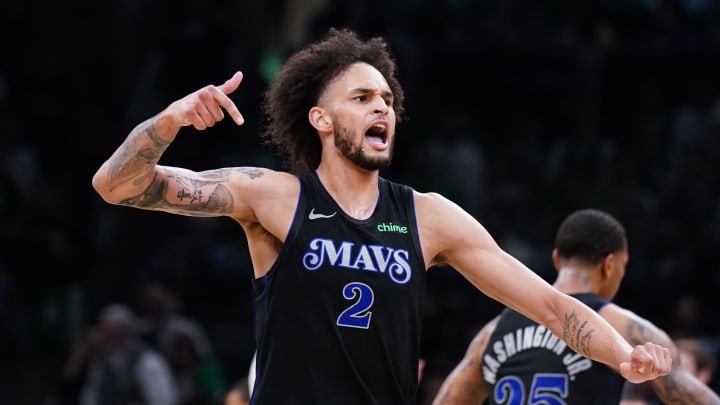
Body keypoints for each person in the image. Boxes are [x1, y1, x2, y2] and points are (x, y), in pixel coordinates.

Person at [92, 27, 671, 404]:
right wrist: (169, 121)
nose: (382, 109)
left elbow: (548, 304)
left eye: (388, 101)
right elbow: (118, 187)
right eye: (363, 98)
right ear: (320, 119)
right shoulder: (274, 196)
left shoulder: (429, 217)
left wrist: (624, 356)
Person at [431, 209, 720, 405]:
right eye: (623, 267)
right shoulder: (623, 326)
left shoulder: (490, 333)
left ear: (557, 259)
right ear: (609, 265)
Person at [79, 304, 180, 405]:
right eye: (104, 331)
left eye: (112, 332)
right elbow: (91, 395)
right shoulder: (101, 362)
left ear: (124, 331)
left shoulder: (148, 360)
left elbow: (163, 399)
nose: (106, 337)